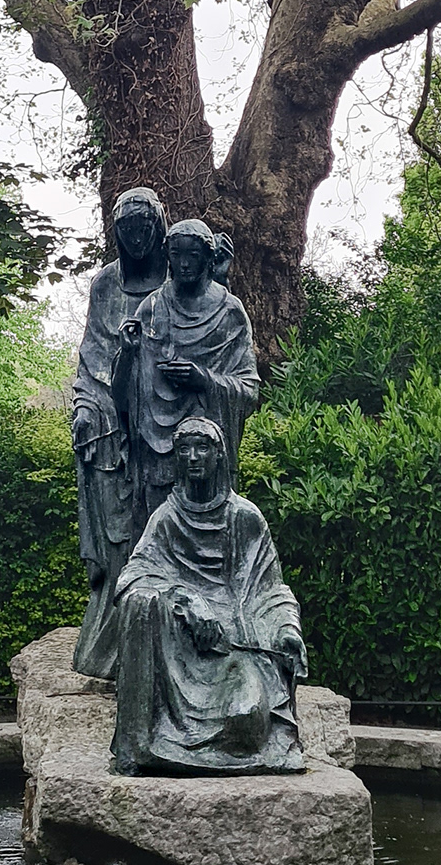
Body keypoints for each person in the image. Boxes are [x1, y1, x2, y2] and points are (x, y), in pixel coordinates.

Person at [111, 418, 307, 775]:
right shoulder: (167, 517)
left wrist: (287, 630)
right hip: (181, 651)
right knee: (139, 602)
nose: (192, 457)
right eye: (183, 449)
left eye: (202, 448)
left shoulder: (245, 517)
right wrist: (184, 598)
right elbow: (133, 576)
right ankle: (142, 745)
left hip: (235, 646)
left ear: (219, 455)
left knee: (246, 721)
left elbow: (271, 590)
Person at [69, 187, 168, 679]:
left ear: (158, 228)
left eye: (141, 228)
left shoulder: (178, 282)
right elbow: (93, 355)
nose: (134, 238)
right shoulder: (106, 284)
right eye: (124, 230)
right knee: (117, 535)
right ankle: (112, 645)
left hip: (162, 421)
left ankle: (162, 641)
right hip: (112, 418)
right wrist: (86, 406)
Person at [123, 216, 259, 532]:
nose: (184, 264)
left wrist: (204, 380)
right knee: (156, 534)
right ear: (167, 257)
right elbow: (128, 395)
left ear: (209, 258)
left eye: (193, 256)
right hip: (157, 451)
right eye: (176, 255)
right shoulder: (151, 307)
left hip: (209, 452)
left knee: (215, 534)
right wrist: (127, 352)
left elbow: (249, 391)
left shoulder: (230, 311)